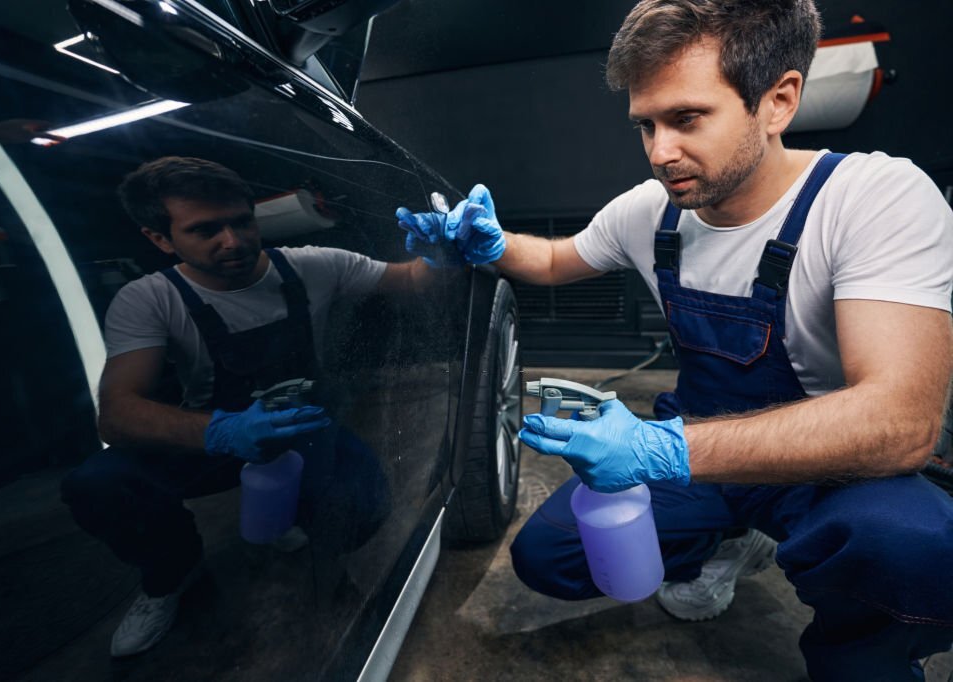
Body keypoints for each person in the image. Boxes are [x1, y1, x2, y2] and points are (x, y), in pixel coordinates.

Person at [396, 1, 953, 678]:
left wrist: (663, 451)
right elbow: (551, 261)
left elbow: (902, 423)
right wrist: (484, 245)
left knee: (913, 550)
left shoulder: (873, 199)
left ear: (777, 102)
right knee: (550, 556)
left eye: (687, 119)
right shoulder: (650, 212)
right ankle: (727, 540)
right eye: (646, 126)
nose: (661, 152)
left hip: (825, 472)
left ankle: (861, 655)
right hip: (703, 450)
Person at [62, 156, 428, 658]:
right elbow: (117, 413)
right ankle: (172, 573)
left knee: (362, 504)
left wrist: (442, 251)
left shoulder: (312, 266)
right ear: (160, 239)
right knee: (98, 484)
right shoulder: (148, 299)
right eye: (205, 230)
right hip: (213, 436)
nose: (232, 241)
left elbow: (410, 280)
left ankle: (312, 540)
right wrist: (221, 431)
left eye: (241, 221)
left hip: (301, 428)